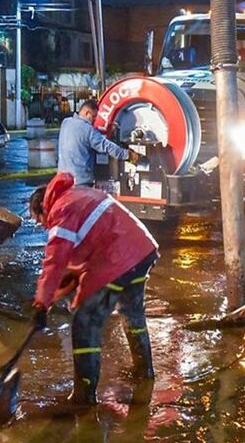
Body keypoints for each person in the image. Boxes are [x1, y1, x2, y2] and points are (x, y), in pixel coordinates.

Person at [30, 172, 159, 405]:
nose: (43, 226)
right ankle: (145, 372)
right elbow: (85, 250)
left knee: (85, 322)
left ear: (43, 207)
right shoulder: (79, 194)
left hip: (119, 259)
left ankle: (83, 396)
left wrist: (41, 303)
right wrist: (59, 290)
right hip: (142, 252)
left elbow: (55, 260)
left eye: (40, 221)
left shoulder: (61, 209)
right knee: (132, 316)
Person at [57, 98, 141, 186]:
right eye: (93, 117)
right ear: (86, 113)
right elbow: (106, 146)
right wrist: (128, 155)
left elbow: (80, 137)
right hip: (80, 181)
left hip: (62, 180)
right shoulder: (88, 130)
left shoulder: (66, 123)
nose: (94, 120)